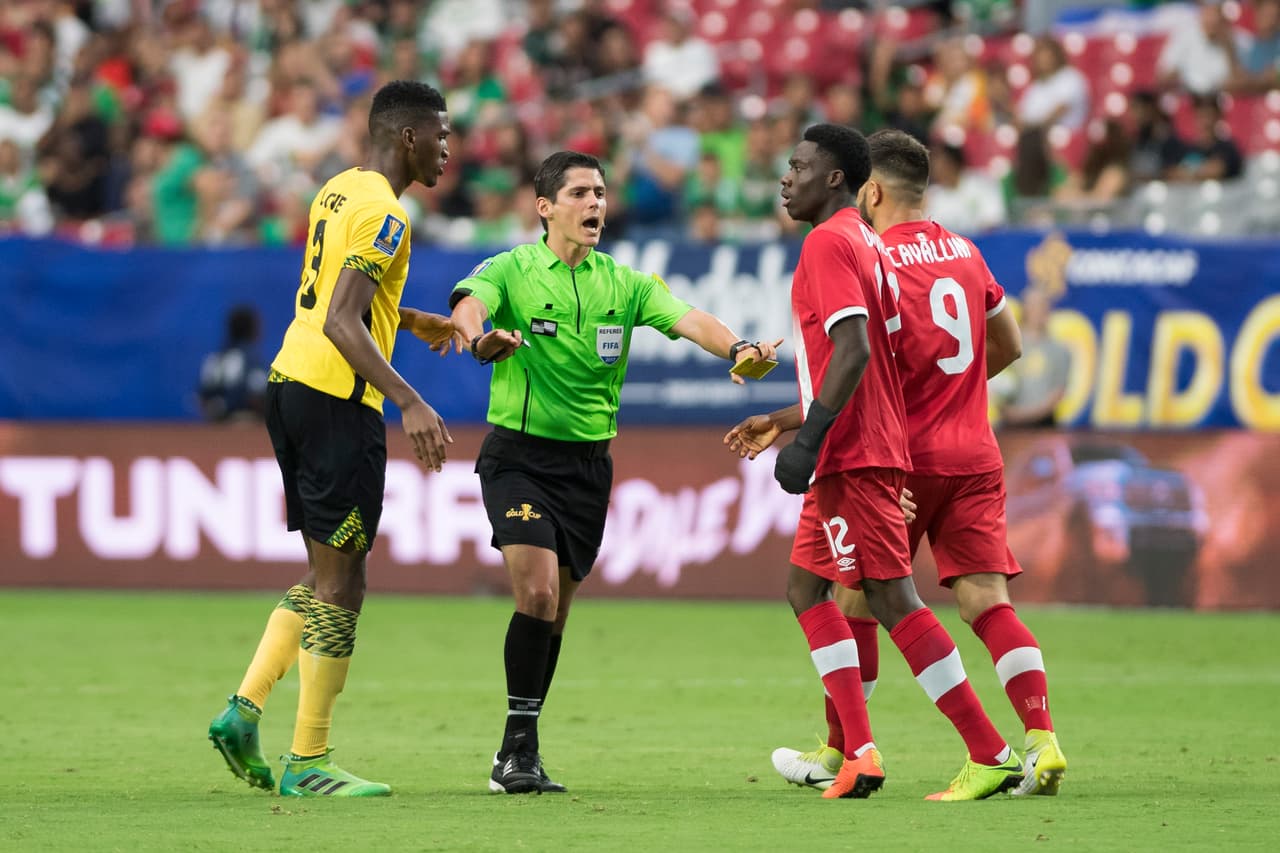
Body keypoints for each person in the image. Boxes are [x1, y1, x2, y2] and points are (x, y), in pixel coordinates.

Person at [206, 80, 513, 798]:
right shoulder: (389, 215)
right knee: (346, 580)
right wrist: (409, 399)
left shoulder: (341, 190)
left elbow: (331, 300)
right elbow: (345, 320)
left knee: (327, 571)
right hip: (337, 401)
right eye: (441, 134)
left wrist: (413, 320)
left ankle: (243, 711)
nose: (449, 148)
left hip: (290, 383)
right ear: (408, 136)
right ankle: (308, 760)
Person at [740, 128, 1067, 798]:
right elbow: (1003, 344)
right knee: (956, 597)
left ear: (865, 187)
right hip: (963, 444)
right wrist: (787, 418)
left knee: (872, 594)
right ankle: (1033, 738)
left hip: (879, 450)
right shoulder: (954, 251)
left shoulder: (853, 246)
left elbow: (863, 357)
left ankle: (944, 749)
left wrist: (822, 436)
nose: (787, 177)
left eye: (800, 166)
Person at [448, 149, 780, 795]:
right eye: (578, 193)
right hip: (517, 456)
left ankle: (515, 749)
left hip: (588, 468)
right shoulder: (513, 268)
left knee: (557, 613)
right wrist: (478, 336)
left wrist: (738, 348)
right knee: (537, 592)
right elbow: (468, 303)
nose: (594, 203)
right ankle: (519, 749)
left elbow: (690, 320)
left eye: (599, 192)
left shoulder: (625, 283)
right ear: (544, 207)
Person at [997, 286, 1071, 428]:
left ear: (1048, 310)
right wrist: (1007, 411)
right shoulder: (1008, 345)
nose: (1037, 311)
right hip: (1009, 427)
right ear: (1024, 309)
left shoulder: (1059, 350)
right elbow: (997, 381)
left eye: (1041, 306)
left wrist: (1024, 416)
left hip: (1044, 426)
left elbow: (1058, 393)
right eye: (1032, 306)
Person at [198, 304, 269, 422]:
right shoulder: (250, 360)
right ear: (251, 330)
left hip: (215, 425)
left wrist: (218, 407)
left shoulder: (214, 359)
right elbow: (260, 393)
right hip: (245, 423)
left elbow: (202, 397)